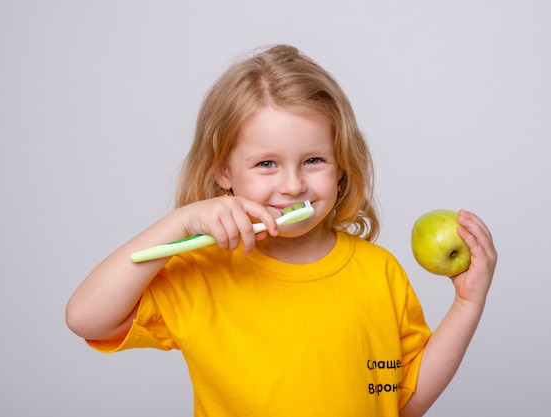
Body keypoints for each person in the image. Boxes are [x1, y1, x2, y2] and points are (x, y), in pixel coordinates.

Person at [66, 44, 497, 416]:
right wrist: (178, 223)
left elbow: (400, 401)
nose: (293, 185)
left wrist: (467, 303)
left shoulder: (378, 273)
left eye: (313, 160)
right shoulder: (202, 272)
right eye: (266, 163)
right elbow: (86, 318)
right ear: (223, 171)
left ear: (342, 163)